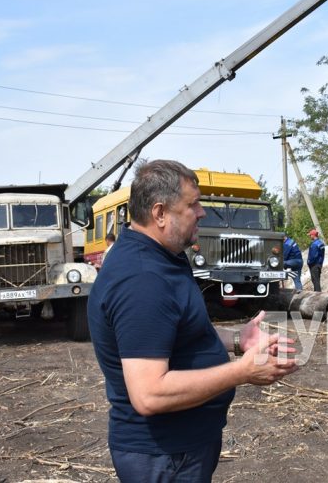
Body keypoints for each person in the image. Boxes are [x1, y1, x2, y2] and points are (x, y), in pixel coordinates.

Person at [87, 160, 298, 483]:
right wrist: (242, 372)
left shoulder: (163, 257)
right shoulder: (143, 279)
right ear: (159, 213)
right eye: (193, 204)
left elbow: (172, 331)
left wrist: (237, 339)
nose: (202, 212)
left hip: (178, 452)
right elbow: (149, 394)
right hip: (164, 458)